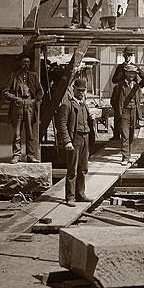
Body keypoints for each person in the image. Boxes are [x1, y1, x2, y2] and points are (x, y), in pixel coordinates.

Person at [55, 77, 95, 205]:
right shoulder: (67, 105)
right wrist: (67, 141)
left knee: (83, 168)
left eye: (83, 90)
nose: (81, 93)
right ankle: (70, 197)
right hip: (75, 139)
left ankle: (81, 194)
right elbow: (61, 124)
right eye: (79, 90)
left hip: (85, 138)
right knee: (72, 169)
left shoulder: (84, 105)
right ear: (73, 89)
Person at [111, 47, 144, 166]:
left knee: (131, 135)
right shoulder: (120, 70)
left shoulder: (136, 85)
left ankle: (128, 155)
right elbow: (114, 81)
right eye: (127, 55)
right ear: (123, 55)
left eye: (131, 55)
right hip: (124, 109)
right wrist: (124, 69)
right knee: (125, 135)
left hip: (133, 110)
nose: (129, 57)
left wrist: (135, 69)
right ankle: (125, 157)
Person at [3, 55, 44, 164]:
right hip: (18, 105)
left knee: (30, 132)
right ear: (20, 63)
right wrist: (15, 98)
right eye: (24, 62)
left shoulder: (34, 76)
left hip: (30, 105)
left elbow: (41, 91)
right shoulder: (14, 76)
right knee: (17, 132)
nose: (26, 64)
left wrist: (34, 101)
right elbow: (5, 92)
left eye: (28, 62)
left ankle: (30, 155)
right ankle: (16, 155)